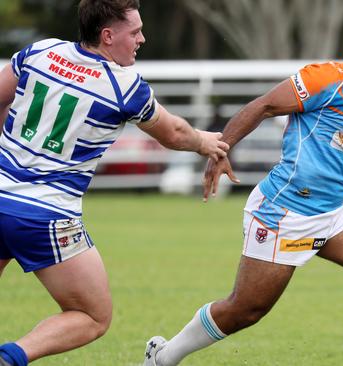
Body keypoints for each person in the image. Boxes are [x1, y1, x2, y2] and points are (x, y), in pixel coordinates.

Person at [142, 17, 343, 366]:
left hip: (332, 213)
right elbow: (265, 105)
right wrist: (220, 149)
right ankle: (163, 357)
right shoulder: (325, 78)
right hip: (284, 211)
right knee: (246, 309)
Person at [0, 1, 229, 365]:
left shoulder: (41, 51)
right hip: (46, 215)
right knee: (93, 315)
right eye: (135, 32)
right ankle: (10, 358)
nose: (142, 39)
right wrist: (207, 143)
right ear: (108, 36)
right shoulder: (123, 85)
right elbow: (172, 133)